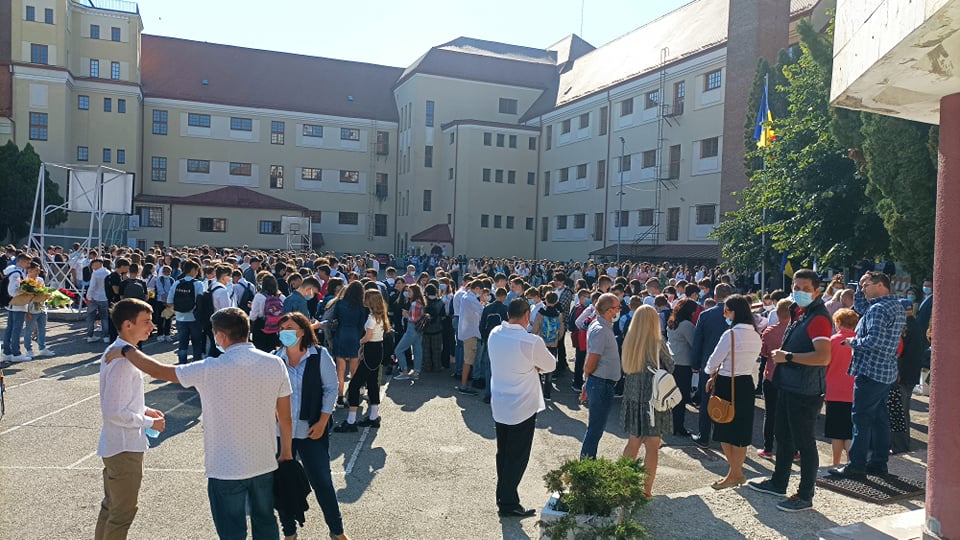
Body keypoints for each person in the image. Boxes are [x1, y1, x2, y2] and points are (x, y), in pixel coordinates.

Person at [105, 307, 294, 539]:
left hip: (225, 466)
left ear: (220, 336)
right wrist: (286, 452)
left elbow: (159, 371)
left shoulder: (209, 368)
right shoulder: (275, 364)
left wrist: (126, 350)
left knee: (232, 530)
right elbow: (284, 417)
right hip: (264, 461)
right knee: (266, 522)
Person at [749, 269, 833, 512]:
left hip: (805, 390)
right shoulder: (800, 313)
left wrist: (788, 357)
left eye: (806, 288)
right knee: (783, 436)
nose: (800, 292)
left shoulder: (818, 318)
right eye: (796, 287)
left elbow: (823, 357)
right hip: (790, 384)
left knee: (804, 442)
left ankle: (805, 495)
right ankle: (779, 482)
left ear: (817, 291)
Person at [272, 312, 348, 540]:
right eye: (282, 328)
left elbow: (331, 389)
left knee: (322, 481)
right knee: (283, 482)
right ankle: (289, 532)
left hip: (311, 430)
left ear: (303, 330)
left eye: (290, 327)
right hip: (281, 433)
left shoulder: (319, 355)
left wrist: (323, 421)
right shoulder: (274, 359)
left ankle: (337, 531)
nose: (285, 331)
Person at [95, 299, 166, 540]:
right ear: (127, 325)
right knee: (121, 513)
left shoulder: (119, 352)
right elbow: (114, 412)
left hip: (118, 445)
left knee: (112, 508)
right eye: (146, 322)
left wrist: (145, 410)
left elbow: (121, 402)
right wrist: (149, 422)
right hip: (124, 448)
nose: (152, 327)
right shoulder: (123, 361)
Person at [830, 271, 906, 478]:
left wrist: (851, 342)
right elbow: (862, 307)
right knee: (880, 419)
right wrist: (860, 286)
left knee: (861, 419)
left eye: (865, 286)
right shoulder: (895, 305)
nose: (862, 290)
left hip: (870, 371)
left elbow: (874, 341)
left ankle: (856, 465)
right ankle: (879, 463)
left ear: (880, 285)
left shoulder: (878, 309)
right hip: (886, 371)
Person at [487, 298, 556, 518]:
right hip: (522, 406)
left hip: (500, 402)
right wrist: (534, 366)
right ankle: (508, 502)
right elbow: (550, 365)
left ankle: (503, 496)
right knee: (517, 457)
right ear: (527, 315)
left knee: (504, 453)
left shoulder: (495, 333)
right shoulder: (531, 341)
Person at [703, 295, 762, 489]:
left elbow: (713, 361)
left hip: (728, 383)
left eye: (727, 310)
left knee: (724, 429)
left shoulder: (731, 334)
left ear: (735, 312)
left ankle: (734, 473)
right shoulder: (756, 334)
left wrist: (710, 372)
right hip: (746, 382)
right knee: (741, 432)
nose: (725, 314)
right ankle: (735, 473)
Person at [620, 305, 675, 498]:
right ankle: (646, 490)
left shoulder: (629, 341)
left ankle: (623, 485)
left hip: (633, 396)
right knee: (652, 446)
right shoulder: (657, 343)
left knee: (633, 443)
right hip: (654, 398)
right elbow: (670, 366)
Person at [336, 290, 391, 433]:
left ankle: (351, 420)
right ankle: (373, 416)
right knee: (372, 382)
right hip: (377, 348)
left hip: (370, 349)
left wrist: (359, 343)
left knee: (354, 385)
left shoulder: (372, 318)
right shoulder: (381, 316)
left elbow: (368, 336)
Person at [579, 293, 623, 459]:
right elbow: (592, 359)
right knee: (595, 428)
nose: (619, 311)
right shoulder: (601, 330)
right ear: (610, 310)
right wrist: (588, 380)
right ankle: (587, 462)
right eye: (617, 308)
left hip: (601, 383)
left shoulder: (602, 326)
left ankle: (588, 460)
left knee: (596, 427)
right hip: (600, 383)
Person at [691, 283, 733, 448]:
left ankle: (704, 436)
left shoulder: (705, 315)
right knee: (727, 400)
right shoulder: (737, 316)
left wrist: (695, 363)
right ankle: (723, 436)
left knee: (706, 400)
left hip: (708, 364)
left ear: (715, 297)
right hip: (730, 365)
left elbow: (698, 341)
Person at [756, 299, 792, 459]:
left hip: (771, 375)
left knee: (770, 414)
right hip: (792, 378)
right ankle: (794, 450)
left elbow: (763, 353)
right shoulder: (797, 331)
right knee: (790, 415)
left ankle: (768, 448)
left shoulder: (769, 332)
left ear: (777, 313)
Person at [826, 308, 858, 466]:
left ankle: (836, 463)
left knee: (836, 432)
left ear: (838, 322)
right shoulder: (859, 341)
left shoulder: (832, 341)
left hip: (833, 390)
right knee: (850, 431)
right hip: (854, 391)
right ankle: (850, 462)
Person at [892, 299, 924, 454]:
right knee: (903, 411)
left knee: (899, 412)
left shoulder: (904, 329)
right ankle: (902, 444)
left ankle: (900, 446)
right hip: (911, 375)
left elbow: (899, 354)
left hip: (902, 376)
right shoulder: (917, 326)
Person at [331, 281, 368, 405]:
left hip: (341, 334)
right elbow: (362, 324)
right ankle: (353, 395)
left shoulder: (340, 303)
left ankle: (340, 397)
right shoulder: (361, 306)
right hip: (355, 335)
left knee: (340, 370)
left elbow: (335, 319)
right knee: (354, 369)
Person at [665, 298, 698, 436]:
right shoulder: (687, 325)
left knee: (672, 395)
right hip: (684, 363)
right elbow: (694, 343)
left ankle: (671, 424)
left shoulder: (671, 322)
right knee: (682, 397)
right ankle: (679, 426)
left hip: (672, 361)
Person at [167, 260, 205, 365]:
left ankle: (182, 365)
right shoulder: (198, 284)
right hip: (194, 318)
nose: (197, 272)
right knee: (197, 343)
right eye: (197, 270)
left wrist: (179, 308)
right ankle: (196, 365)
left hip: (180, 318)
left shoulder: (177, 283)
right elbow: (201, 302)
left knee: (182, 344)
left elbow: (169, 302)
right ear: (193, 270)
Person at [532, 290, 564, 401]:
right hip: (553, 344)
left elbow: (535, 329)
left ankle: (538, 391)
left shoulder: (540, 313)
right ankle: (547, 394)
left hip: (541, 343)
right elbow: (561, 331)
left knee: (538, 367)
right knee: (550, 368)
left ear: (545, 300)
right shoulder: (558, 315)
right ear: (556, 302)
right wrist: (556, 339)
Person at [393, 284, 425, 381]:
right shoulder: (421, 302)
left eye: (410, 291)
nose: (408, 293)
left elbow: (413, 319)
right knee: (417, 350)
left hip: (412, 329)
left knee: (398, 350)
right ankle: (416, 372)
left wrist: (406, 315)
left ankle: (404, 371)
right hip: (419, 329)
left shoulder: (414, 304)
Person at [3, 254, 31, 362]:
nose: (28, 265)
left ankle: (7, 353)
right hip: (17, 305)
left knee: (10, 329)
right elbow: (12, 291)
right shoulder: (16, 273)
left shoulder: (13, 270)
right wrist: (26, 292)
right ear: (21, 261)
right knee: (16, 330)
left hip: (12, 305)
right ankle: (16, 353)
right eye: (27, 263)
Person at [22, 262, 54, 358]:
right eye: (36, 270)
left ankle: (42, 348)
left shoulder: (40, 279)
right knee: (29, 330)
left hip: (42, 308)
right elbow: (25, 299)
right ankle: (29, 350)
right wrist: (27, 312)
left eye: (39, 270)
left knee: (42, 329)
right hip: (31, 310)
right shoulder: (25, 282)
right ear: (30, 270)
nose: (38, 272)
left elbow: (43, 292)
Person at [85, 258, 112, 344]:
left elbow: (92, 286)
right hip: (104, 297)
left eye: (93, 265)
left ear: (99, 264)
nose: (92, 267)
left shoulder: (95, 273)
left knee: (90, 317)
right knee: (104, 317)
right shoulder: (108, 272)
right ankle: (106, 336)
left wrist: (88, 296)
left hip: (94, 297)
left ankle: (90, 336)